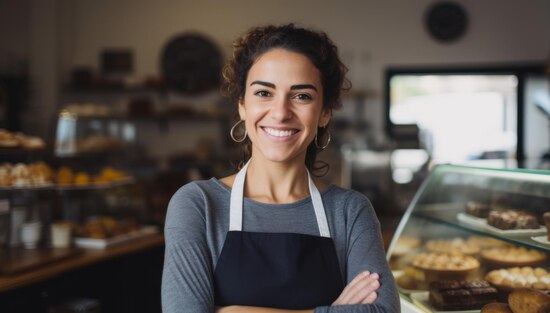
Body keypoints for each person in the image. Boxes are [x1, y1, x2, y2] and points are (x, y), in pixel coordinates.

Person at [161, 24, 400, 313]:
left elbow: (384, 311)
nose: (280, 112)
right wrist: (332, 310)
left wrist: (233, 311)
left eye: (302, 96)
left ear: (325, 113)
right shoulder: (198, 204)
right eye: (264, 93)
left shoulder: (350, 211)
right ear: (242, 105)